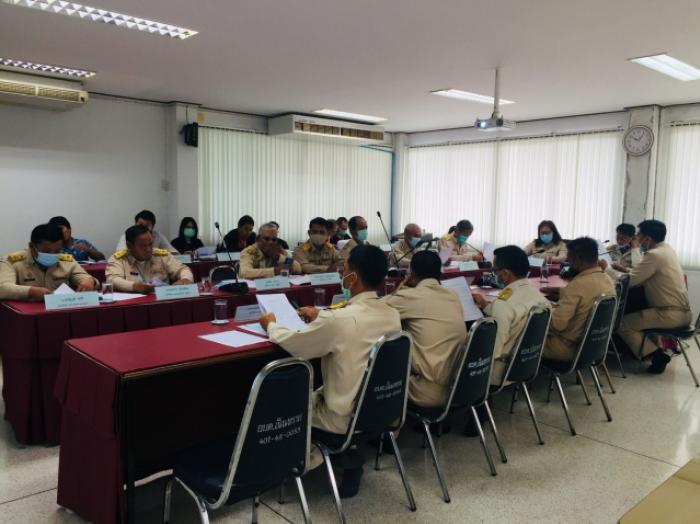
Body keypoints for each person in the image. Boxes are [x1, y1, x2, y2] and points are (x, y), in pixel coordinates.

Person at [260, 245, 400, 498]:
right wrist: (322, 316)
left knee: (282, 403)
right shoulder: (392, 314)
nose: (342, 273)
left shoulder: (339, 320)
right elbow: (350, 321)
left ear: (353, 277)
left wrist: (271, 325)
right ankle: (343, 457)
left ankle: (288, 464)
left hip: (340, 418)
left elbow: (297, 345)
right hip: (379, 409)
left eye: (344, 269)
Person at [609, 220, 692, 374]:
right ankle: (653, 352)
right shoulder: (666, 250)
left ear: (647, 238)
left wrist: (607, 270)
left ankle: (656, 356)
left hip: (669, 314)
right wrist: (623, 269)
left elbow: (631, 281)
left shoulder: (654, 255)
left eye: (639, 235)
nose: (637, 238)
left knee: (621, 324)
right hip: (681, 313)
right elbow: (642, 274)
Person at [386, 251, 467, 407]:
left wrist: (401, 287)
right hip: (457, 387)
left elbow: (376, 308)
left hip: (424, 392)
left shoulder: (411, 296)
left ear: (412, 273)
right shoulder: (453, 295)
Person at [472, 246, 551, 383]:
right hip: (527, 363)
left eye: (494, 270)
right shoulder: (540, 298)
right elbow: (512, 312)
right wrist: (485, 305)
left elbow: (494, 349)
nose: (494, 274)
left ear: (505, 273)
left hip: (500, 371)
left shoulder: (504, 304)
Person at [542, 237, 615, 362]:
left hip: (566, 348)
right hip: (593, 347)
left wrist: (547, 307)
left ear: (577, 259)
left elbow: (557, 324)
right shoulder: (607, 279)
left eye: (569, 258)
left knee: (518, 338)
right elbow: (586, 293)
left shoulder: (577, 285)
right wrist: (562, 292)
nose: (567, 262)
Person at [0, 223, 99, 301]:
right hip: (28, 315)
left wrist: (90, 281)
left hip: (59, 312)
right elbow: (2, 288)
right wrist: (31, 292)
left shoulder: (66, 260)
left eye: (57, 251)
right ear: (32, 246)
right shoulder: (12, 262)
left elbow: (85, 278)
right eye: (46, 251)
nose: (52, 254)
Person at [106, 225, 194, 293]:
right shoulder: (119, 259)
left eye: (150, 244)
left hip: (161, 301)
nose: (148, 249)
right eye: (143, 246)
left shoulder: (161, 256)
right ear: (129, 246)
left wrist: (186, 279)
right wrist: (135, 287)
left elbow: (182, 269)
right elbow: (113, 280)